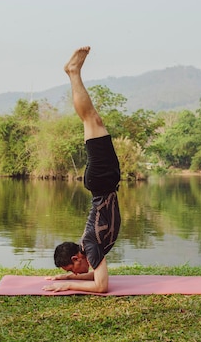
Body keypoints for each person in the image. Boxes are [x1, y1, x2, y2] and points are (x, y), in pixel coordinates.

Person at [42, 46, 121, 293]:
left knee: (91, 120)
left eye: (71, 270)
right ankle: (73, 72)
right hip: (102, 182)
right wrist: (68, 281)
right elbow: (98, 279)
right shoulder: (89, 246)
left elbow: (101, 287)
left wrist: (69, 285)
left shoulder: (90, 246)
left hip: (102, 181)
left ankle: (73, 72)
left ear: (77, 258)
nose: (76, 273)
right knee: (92, 120)